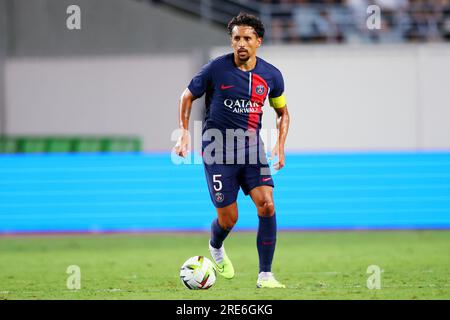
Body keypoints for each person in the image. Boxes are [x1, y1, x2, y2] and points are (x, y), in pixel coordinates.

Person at [174, 12, 290, 288]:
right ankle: (216, 244)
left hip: (252, 151)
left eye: (247, 38)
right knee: (229, 218)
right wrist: (183, 133)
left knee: (267, 204)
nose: (241, 43)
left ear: (258, 41)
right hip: (217, 151)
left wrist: (280, 145)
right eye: (236, 37)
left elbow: (283, 113)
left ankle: (265, 275)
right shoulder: (216, 69)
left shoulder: (272, 76)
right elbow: (187, 96)